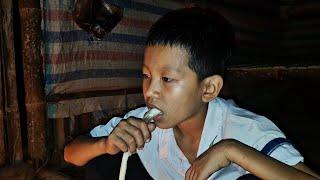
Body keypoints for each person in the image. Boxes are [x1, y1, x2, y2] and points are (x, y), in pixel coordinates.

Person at [64, 7, 320, 179]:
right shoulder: (142, 123)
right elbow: (70, 154)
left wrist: (230, 150)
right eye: (146, 76)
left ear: (208, 88)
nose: (150, 91)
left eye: (167, 79)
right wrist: (104, 144)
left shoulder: (243, 128)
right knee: (105, 160)